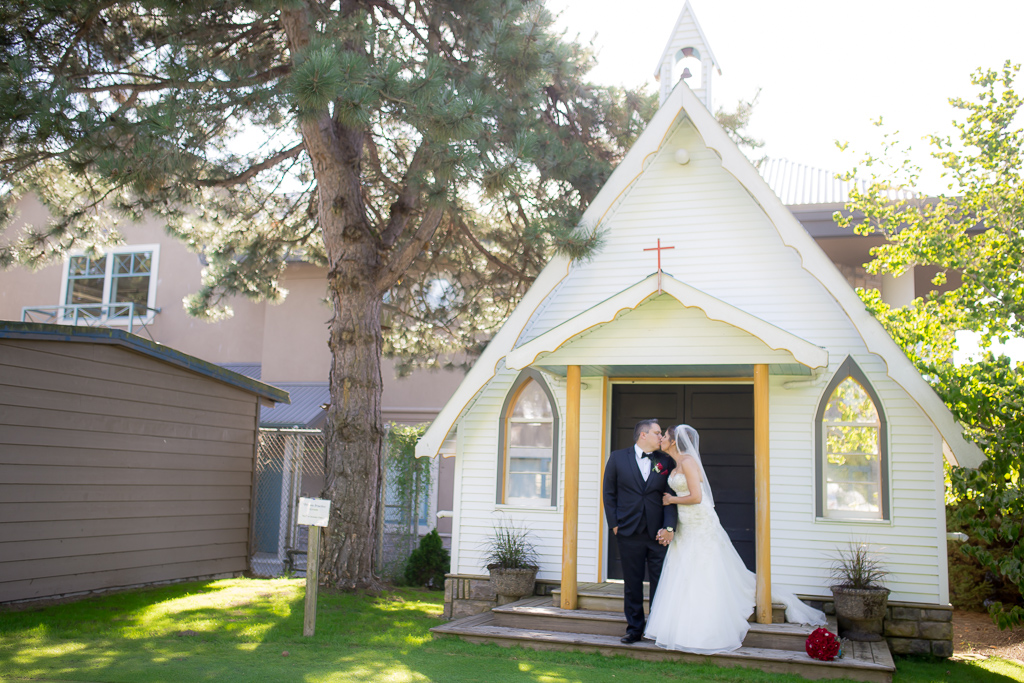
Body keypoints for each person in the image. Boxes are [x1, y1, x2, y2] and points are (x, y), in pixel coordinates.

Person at [644, 424, 826, 653]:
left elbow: (697, 497)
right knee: (684, 567)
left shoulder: (688, 462)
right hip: (686, 524)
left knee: (704, 568)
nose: (661, 439)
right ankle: (680, 623)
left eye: (665, 436)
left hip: (699, 521)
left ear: (673, 441)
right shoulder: (674, 463)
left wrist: (672, 500)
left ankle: (705, 627)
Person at [602, 419, 678, 644]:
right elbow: (609, 493)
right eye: (657, 433)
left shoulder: (666, 460)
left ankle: (656, 628)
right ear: (643, 435)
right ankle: (634, 629)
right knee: (632, 583)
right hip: (628, 531)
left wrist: (669, 527)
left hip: (658, 534)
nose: (661, 437)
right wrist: (614, 524)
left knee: (660, 583)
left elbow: (670, 498)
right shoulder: (617, 457)